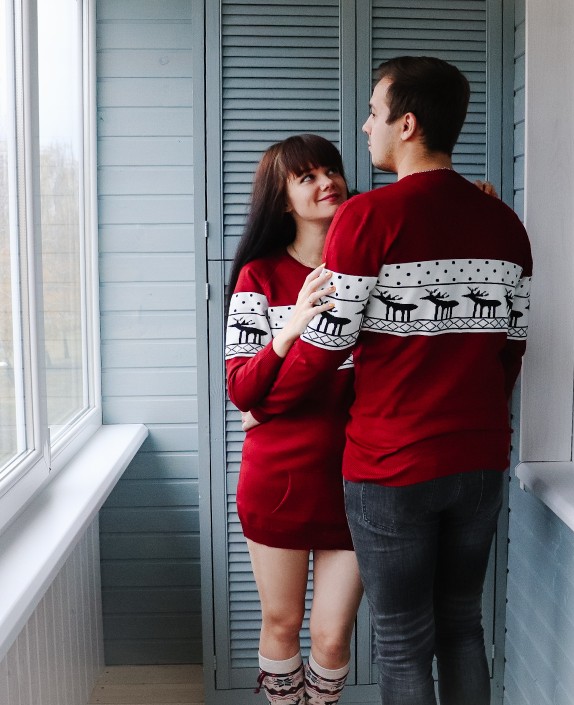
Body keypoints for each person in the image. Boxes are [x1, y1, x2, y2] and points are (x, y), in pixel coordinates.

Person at [244, 56, 533, 705]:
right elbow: (510, 349)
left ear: (406, 124)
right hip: (479, 460)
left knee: (402, 639)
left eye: (374, 112)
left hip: (392, 465)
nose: (366, 126)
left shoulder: (368, 217)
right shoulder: (504, 223)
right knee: (462, 627)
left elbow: (325, 347)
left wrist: (264, 398)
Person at [224, 134, 364, 705]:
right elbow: (241, 388)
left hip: (357, 480)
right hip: (277, 481)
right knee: (281, 624)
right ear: (282, 200)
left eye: (331, 170)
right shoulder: (258, 277)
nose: (327, 182)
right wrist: (292, 325)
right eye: (307, 177)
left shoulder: (370, 275)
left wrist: (472, 202)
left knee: (331, 637)